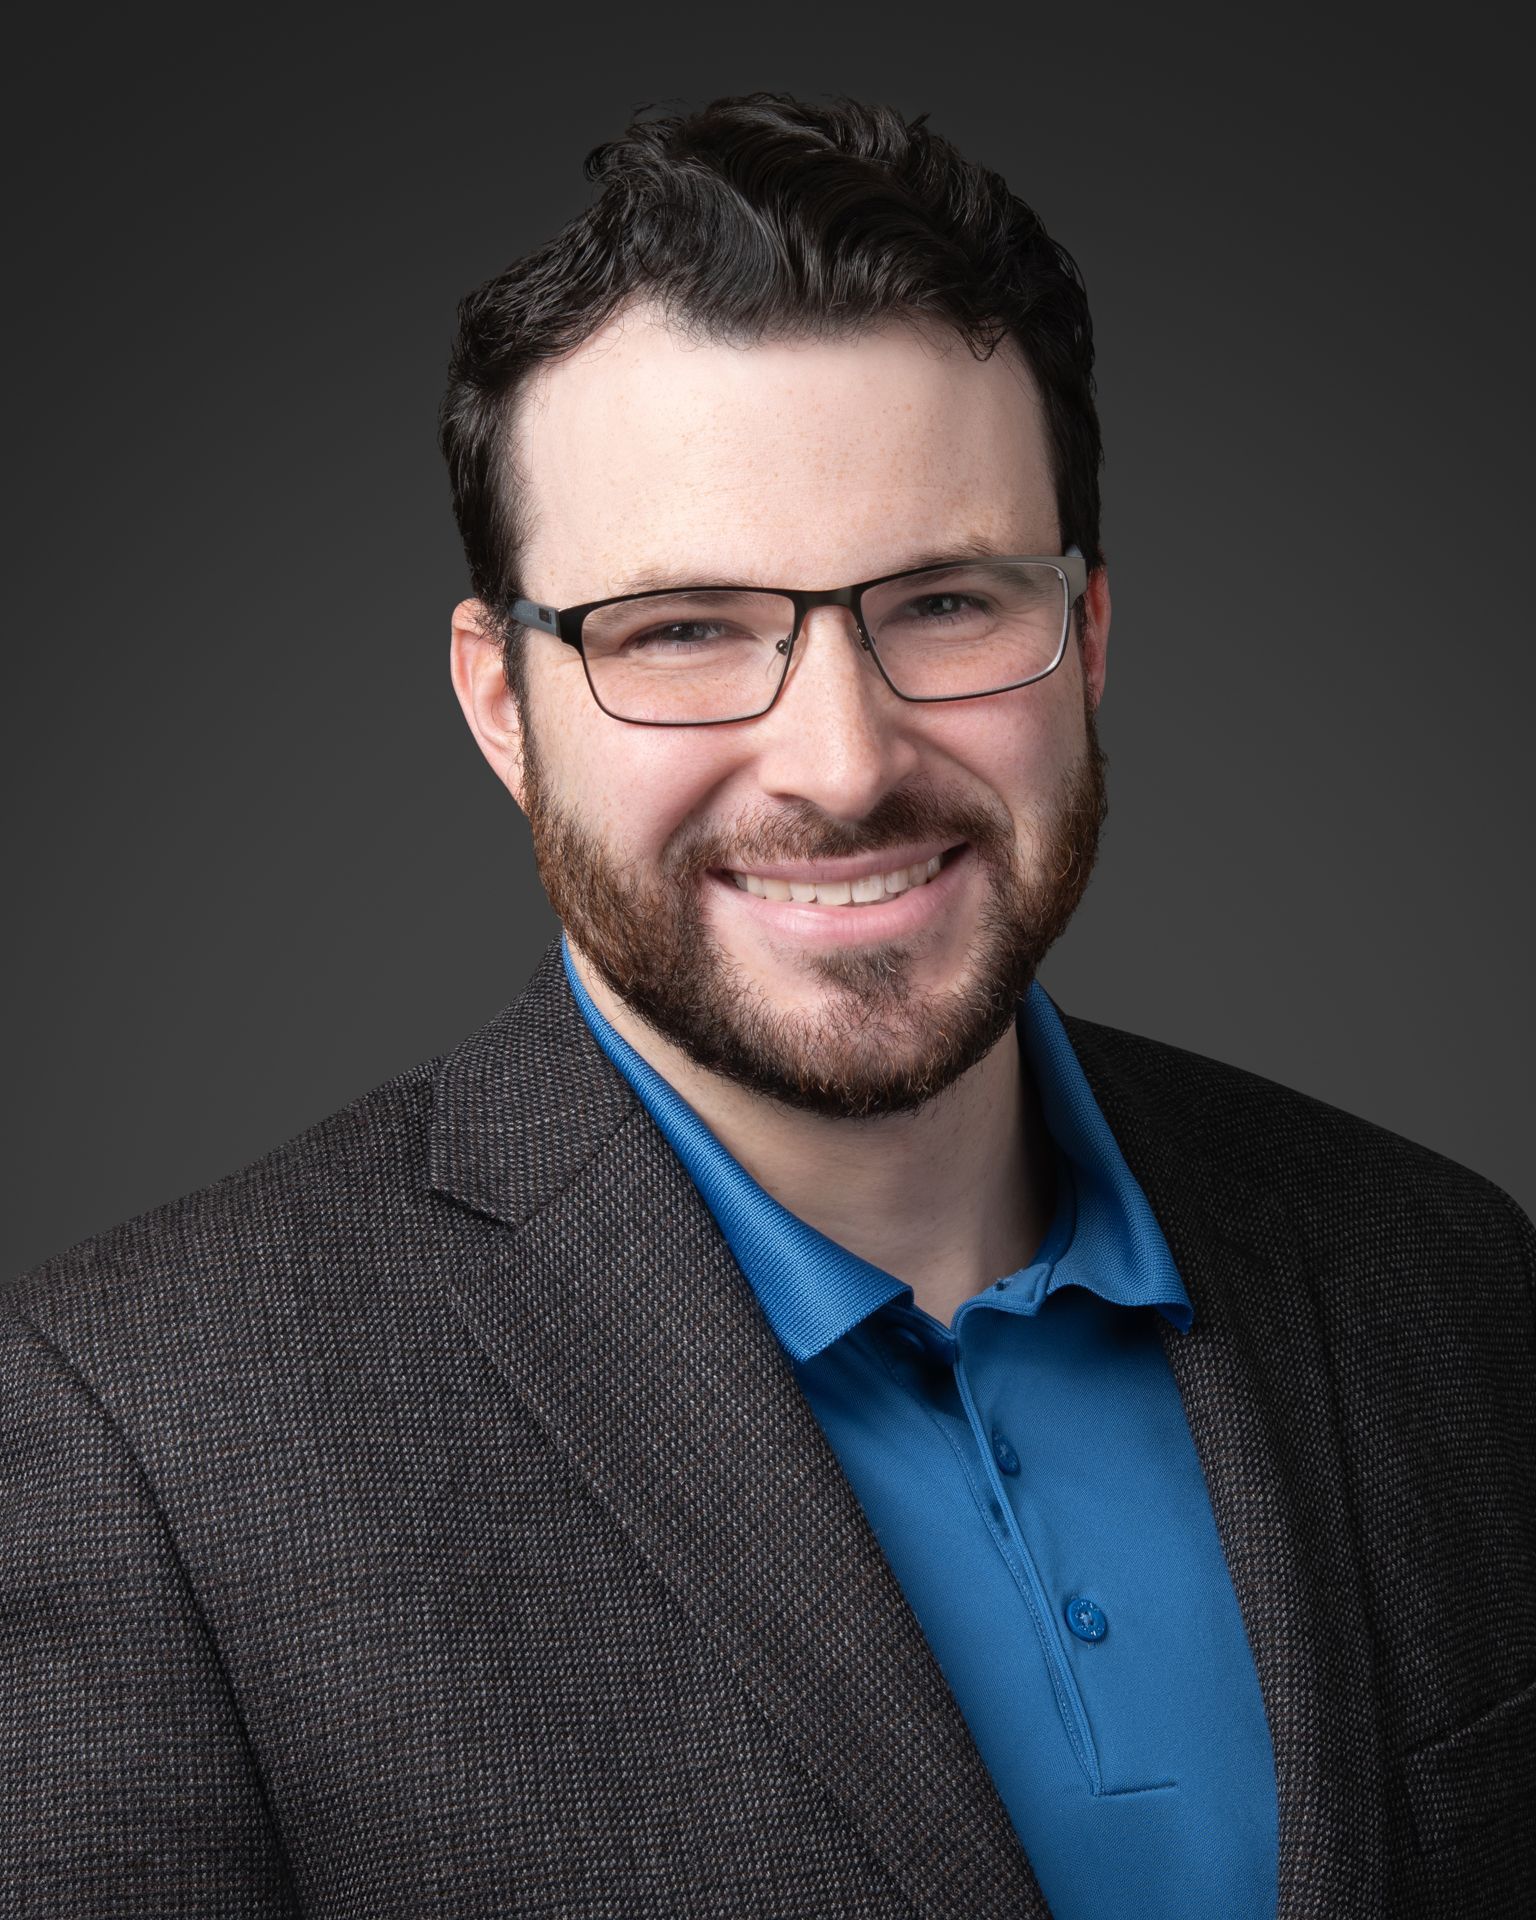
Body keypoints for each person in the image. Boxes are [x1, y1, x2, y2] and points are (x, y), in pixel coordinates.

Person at [3, 90, 1531, 1920]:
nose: (840, 760)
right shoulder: (144, 1436)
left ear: (1089, 637)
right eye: (682, 630)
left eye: (949, 603)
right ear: (502, 703)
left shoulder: (1448, 1282)